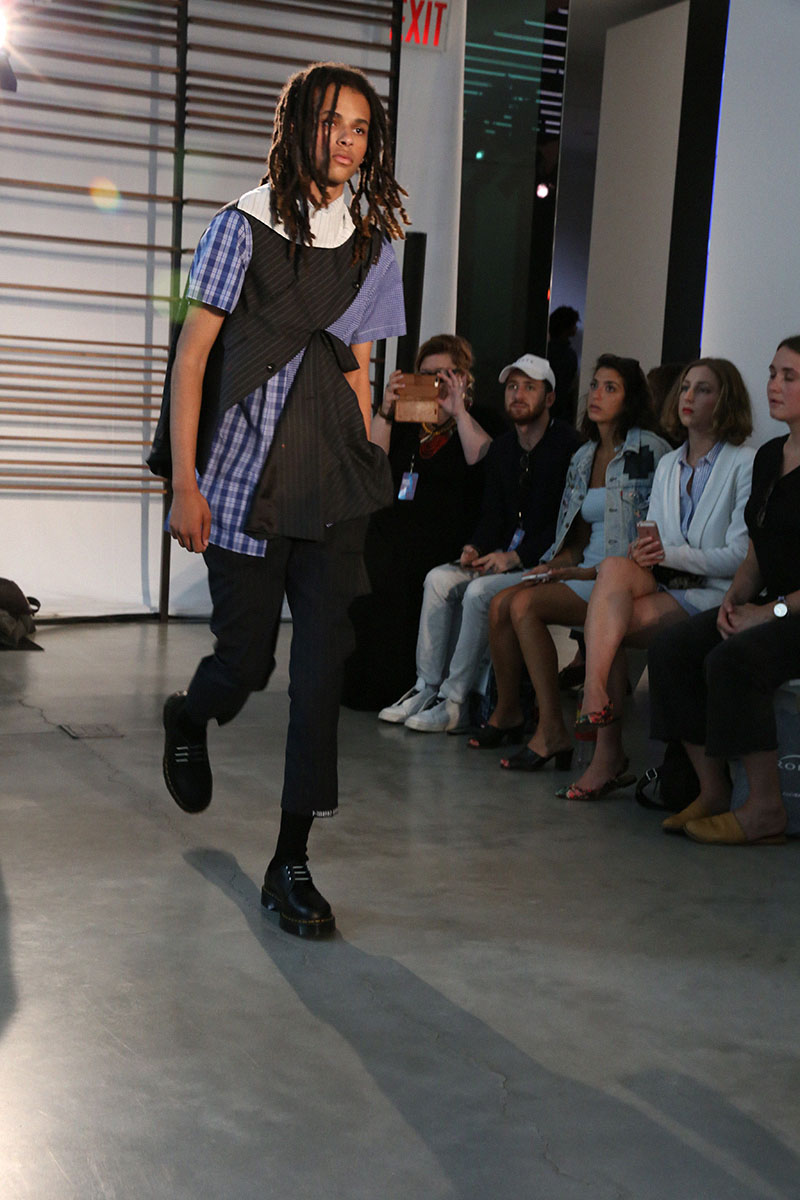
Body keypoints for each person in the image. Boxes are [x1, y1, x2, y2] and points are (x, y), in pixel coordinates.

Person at [147, 62, 408, 937]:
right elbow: (192, 360)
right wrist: (185, 484)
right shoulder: (240, 226)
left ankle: (291, 861)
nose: (346, 140)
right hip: (239, 485)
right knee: (246, 665)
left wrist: (369, 458)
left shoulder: (371, 245)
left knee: (321, 674)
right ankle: (192, 713)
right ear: (297, 125)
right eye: (332, 121)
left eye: (361, 127)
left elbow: (359, 371)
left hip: (330, 488)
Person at [566, 358, 754, 800]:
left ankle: (603, 739)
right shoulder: (669, 463)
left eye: (703, 390)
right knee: (614, 570)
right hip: (668, 583)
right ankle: (597, 701)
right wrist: (644, 551)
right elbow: (655, 536)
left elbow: (739, 557)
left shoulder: (744, 463)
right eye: (685, 387)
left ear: (724, 400)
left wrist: (667, 553)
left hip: (713, 593)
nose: (688, 397)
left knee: (607, 626)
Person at [473, 354, 669, 769]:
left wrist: (581, 571)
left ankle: (551, 729)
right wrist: (554, 564)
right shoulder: (584, 456)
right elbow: (575, 536)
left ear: (630, 398)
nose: (596, 395)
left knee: (523, 605)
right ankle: (510, 711)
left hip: (623, 576)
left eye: (610, 388)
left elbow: (658, 533)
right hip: (584, 569)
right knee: (501, 603)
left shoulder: (650, 451)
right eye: (594, 385)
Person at [647, 336, 800, 845]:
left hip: (792, 611)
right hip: (769, 603)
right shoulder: (771, 456)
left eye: (790, 377)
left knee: (733, 660)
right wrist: (735, 599)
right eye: (773, 373)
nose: (774, 385)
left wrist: (770, 612)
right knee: (672, 648)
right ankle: (712, 789)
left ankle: (765, 808)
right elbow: (757, 550)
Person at [378, 354, 581, 732]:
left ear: (550, 398)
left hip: (543, 561)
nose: (518, 395)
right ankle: (426, 687)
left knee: (478, 593)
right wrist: (476, 547)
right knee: (438, 579)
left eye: (529, 387)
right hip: (503, 556)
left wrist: (515, 555)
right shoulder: (505, 447)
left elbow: (564, 523)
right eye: (512, 387)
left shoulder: (568, 447)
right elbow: (492, 514)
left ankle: (456, 699)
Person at [342, 334, 497, 711]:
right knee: (365, 561)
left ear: (463, 377)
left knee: (405, 569)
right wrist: (385, 411)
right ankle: (364, 684)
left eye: (445, 373)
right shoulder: (409, 421)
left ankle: (410, 684)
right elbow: (376, 462)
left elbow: (481, 462)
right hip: (395, 526)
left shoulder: (479, 420)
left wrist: (458, 412)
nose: (435, 382)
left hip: (448, 531)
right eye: (426, 374)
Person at [547, 305, 580, 426]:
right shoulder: (568, 354)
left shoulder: (547, 350)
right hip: (562, 409)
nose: (576, 328)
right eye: (574, 324)